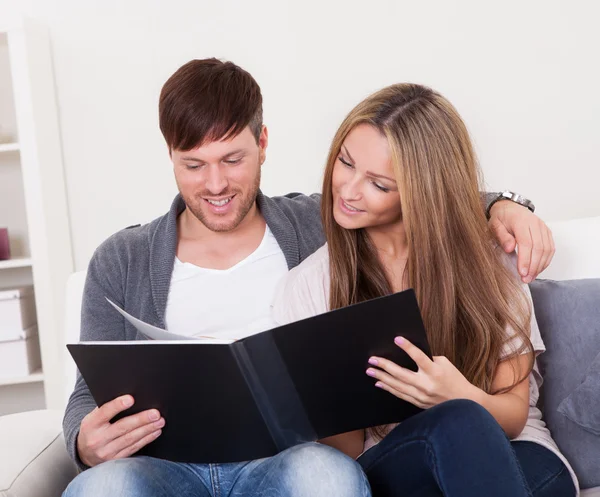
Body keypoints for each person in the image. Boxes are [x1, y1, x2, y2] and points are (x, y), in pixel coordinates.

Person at [62, 59, 555, 497]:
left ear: (263, 142)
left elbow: (425, 198)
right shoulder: (121, 260)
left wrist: (502, 206)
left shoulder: (324, 225)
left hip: (286, 462)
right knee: (101, 488)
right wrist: (85, 442)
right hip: (165, 467)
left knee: (326, 478)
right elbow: (89, 390)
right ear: (170, 155)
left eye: (233, 160)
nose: (215, 185)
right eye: (194, 165)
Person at [272, 83, 577, 497]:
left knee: (462, 421)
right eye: (345, 163)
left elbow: (514, 415)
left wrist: (458, 395)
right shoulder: (309, 286)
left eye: (379, 184)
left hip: (518, 455)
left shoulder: (491, 262)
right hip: (402, 468)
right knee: (454, 427)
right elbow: (343, 455)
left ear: (422, 193)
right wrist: (327, 396)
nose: (347, 190)